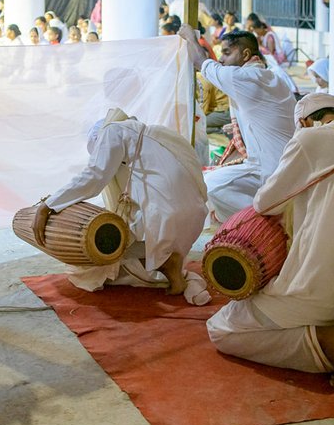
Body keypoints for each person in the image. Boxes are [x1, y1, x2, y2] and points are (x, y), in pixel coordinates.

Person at [206, 94, 334, 391]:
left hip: (317, 288)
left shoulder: (310, 140)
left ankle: (327, 342)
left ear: (303, 122)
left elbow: (265, 202)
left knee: (221, 328)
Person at [31, 108, 209, 305]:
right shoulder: (151, 136)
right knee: (126, 240)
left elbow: (95, 175)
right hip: (193, 215)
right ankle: (167, 263)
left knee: (101, 258)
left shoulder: (112, 131)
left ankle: (166, 263)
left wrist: (49, 205)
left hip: (164, 215)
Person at [179, 24, 296, 222]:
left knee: (210, 185)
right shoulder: (266, 76)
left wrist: (189, 37)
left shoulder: (246, 77)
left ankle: (264, 221)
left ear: (245, 54)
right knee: (214, 177)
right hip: (283, 163)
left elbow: (202, 61)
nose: (222, 59)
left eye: (226, 52)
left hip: (271, 168)